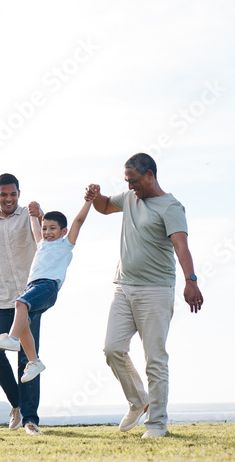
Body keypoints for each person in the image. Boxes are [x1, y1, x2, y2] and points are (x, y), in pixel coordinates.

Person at [86, 153, 204, 438]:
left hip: (156, 291)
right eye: (127, 182)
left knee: (155, 359)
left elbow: (181, 247)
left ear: (150, 175)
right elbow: (103, 207)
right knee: (112, 349)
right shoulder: (128, 198)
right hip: (124, 287)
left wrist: (191, 281)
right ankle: (139, 400)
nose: (131, 187)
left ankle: (157, 424)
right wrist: (95, 196)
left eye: (135, 181)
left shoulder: (171, 207)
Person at [0, 195, 94, 433]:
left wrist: (87, 201)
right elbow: (37, 227)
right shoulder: (42, 243)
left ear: (63, 231)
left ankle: (12, 340)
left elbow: (78, 221)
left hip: (47, 286)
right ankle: (33, 362)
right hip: (33, 286)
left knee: (20, 304)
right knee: (24, 322)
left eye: (53, 229)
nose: (47, 232)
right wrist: (35, 216)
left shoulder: (66, 244)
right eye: (45, 229)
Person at [0, 173, 46, 434]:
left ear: (19, 194)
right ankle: (16, 403)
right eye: (4, 194)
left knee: (28, 359)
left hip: (26, 299)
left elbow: (46, 238)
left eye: (13, 194)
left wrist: (40, 213)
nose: (9, 199)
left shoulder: (29, 215)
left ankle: (30, 419)